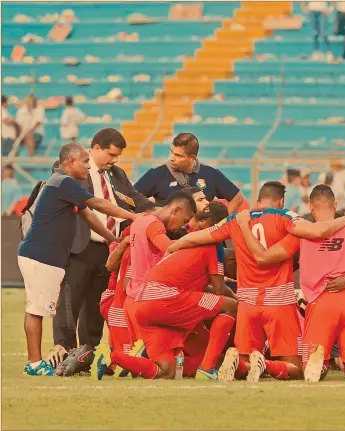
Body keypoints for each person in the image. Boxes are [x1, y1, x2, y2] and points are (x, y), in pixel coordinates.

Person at [166, 181, 345, 382]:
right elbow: (318, 232)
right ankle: (266, 364)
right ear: (281, 201)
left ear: (258, 199)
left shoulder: (235, 220)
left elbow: (198, 237)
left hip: (247, 303)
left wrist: (172, 246)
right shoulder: (286, 216)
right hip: (279, 303)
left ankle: (241, 363)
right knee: (296, 368)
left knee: (243, 365)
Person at [236, 185, 345, 383]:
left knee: (309, 370)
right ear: (335, 205)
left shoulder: (304, 232)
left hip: (319, 301)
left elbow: (268, 257)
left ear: (311, 208)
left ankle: (314, 356)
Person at [17, 142, 140, 376]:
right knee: (36, 310)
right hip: (41, 255)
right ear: (70, 162)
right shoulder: (63, 182)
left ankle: (37, 362)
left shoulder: (66, 185)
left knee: (38, 308)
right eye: (84, 161)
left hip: (44, 255)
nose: (87, 165)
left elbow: (88, 215)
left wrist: (111, 239)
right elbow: (98, 204)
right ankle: (34, 364)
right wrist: (132, 215)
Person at [49, 128, 155, 375]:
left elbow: (137, 199)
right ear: (95, 148)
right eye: (111, 154)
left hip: (108, 249)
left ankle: (87, 356)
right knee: (69, 303)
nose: (114, 160)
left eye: (117, 156)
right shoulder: (69, 168)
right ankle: (64, 354)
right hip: (77, 247)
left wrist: (162, 210)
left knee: (96, 306)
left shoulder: (116, 174)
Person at [93, 245, 237, 380]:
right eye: (239, 269)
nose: (236, 277)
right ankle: (207, 369)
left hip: (142, 304)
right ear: (231, 260)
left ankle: (110, 356)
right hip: (164, 300)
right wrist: (237, 299)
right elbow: (219, 290)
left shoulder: (184, 254)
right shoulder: (213, 249)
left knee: (166, 370)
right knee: (230, 306)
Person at [135, 132, 245, 214]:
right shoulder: (156, 173)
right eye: (172, 153)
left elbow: (237, 198)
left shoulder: (211, 173)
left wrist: (220, 225)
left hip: (201, 236)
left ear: (192, 157)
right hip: (168, 236)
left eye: (178, 156)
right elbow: (131, 198)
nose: (172, 158)